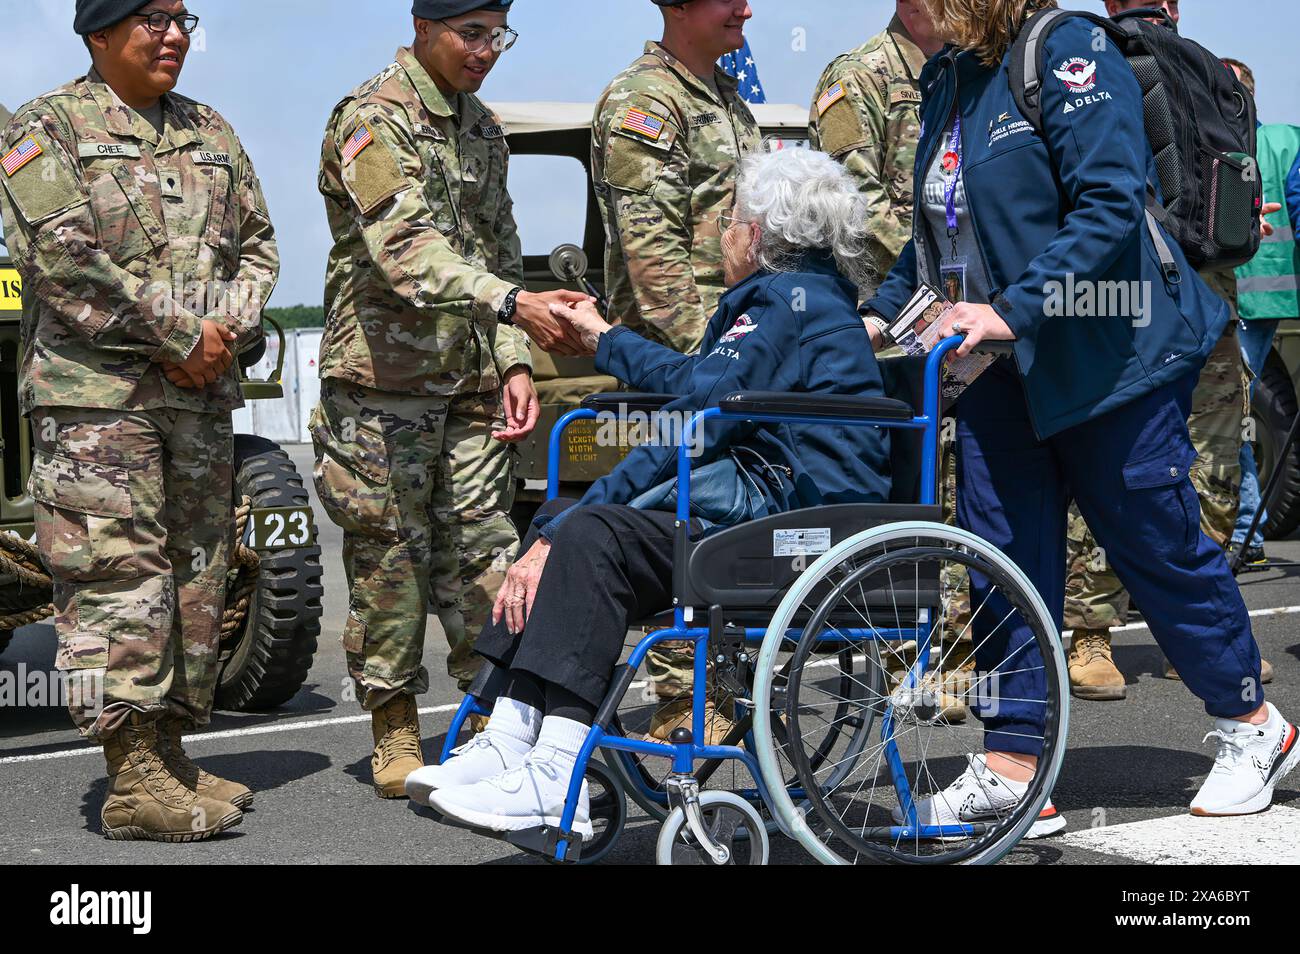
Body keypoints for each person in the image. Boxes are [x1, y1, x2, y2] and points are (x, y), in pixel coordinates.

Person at [864, 0, 1297, 822]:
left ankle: (1254, 725)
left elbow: (1107, 208)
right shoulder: (951, 78)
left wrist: (1012, 309)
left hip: (1110, 362)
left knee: (1155, 544)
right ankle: (1014, 763)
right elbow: (938, 235)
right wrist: (882, 312)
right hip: (998, 373)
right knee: (1003, 567)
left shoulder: (1067, 50)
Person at [404, 148, 893, 835]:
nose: (720, 233)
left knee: (586, 530)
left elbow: (691, 424)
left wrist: (588, 509)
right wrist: (602, 338)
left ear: (757, 231)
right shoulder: (798, 298)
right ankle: (513, 733)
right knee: (565, 517)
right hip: (779, 508)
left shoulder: (783, 304)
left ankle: (553, 771)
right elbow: (698, 381)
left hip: (795, 527)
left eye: (728, 219)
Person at [0, 0, 277, 840]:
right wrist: (184, 334)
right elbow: (60, 255)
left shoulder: (212, 130)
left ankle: (168, 750)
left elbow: (259, 245)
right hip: (97, 402)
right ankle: (130, 778)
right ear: (99, 32)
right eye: (152, 18)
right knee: (114, 581)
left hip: (195, 400)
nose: (174, 34)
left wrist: (226, 326)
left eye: (184, 17)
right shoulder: (44, 127)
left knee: (195, 577)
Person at [313, 0, 587, 798]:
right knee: (391, 558)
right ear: (423, 26)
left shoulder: (484, 129)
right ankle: (394, 721)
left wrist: (513, 360)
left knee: (486, 553)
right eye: (472, 34)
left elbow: (499, 244)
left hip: (469, 381)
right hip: (381, 386)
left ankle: (493, 713)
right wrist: (510, 307)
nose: (487, 51)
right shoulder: (371, 119)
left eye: (498, 34)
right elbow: (404, 251)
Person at [1064, 0, 1259, 699]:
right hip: (1183, 290)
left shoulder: (1114, 63)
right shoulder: (1209, 72)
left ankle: (1163, 635)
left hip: (1155, 295)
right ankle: (1115, 633)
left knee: (1168, 461)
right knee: (1173, 457)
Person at [591, 0, 762, 742]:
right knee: (675, 523)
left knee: (729, 524)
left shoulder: (727, 99)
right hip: (677, 367)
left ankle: (725, 688)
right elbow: (652, 258)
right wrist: (711, 360)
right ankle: (680, 700)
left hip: (733, 358)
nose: (746, 9)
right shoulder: (645, 101)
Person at [809, 0, 981, 724]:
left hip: (967, 321)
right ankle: (906, 653)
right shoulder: (858, 78)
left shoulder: (973, 70)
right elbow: (859, 206)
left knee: (964, 479)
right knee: (902, 487)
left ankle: (964, 647)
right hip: (893, 326)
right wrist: (936, 282)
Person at [1225, 59, 1300, 564]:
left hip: (1241, 301)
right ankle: (1246, 532)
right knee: (1237, 412)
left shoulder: (1224, 144)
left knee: (1229, 413)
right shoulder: (1287, 141)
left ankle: (1244, 533)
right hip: (1270, 301)